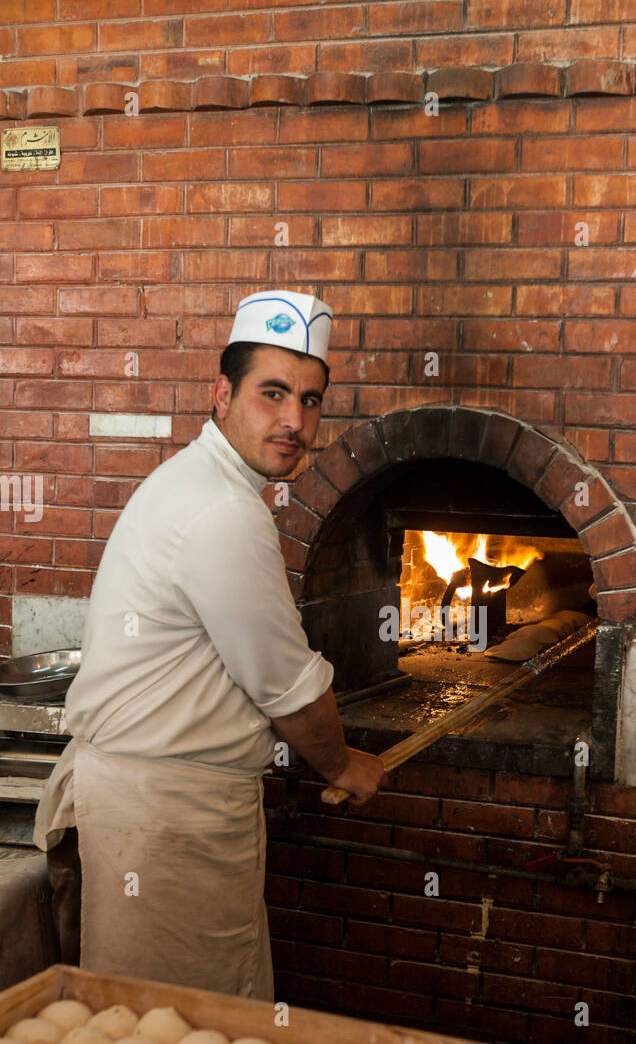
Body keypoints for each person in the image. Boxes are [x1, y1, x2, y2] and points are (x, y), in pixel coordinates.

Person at [33, 289, 385, 1000]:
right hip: (166, 822)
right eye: (273, 393)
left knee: (155, 1032)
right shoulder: (223, 512)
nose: (294, 420)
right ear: (222, 394)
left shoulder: (200, 482)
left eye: (311, 401)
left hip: (154, 805)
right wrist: (343, 764)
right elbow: (288, 689)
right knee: (185, 1038)